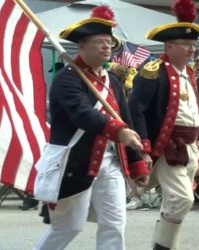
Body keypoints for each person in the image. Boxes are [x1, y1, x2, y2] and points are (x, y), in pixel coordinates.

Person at [34, 6, 149, 250]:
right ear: (82, 45)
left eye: (109, 42)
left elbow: (125, 119)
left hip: (110, 163)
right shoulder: (67, 79)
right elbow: (83, 114)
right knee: (70, 226)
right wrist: (119, 132)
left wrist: (136, 161)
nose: (107, 46)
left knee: (115, 223)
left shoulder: (113, 81)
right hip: (77, 162)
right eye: (100, 42)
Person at [128, 0, 199, 249]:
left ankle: (166, 245)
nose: (192, 50)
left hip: (190, 147)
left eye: (194, 45)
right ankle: (162, 246)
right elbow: (135, 110)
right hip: (168, 145)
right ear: (169, 46)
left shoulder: (189, 74)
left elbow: (196, 114)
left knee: (175, 203)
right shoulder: (153, 71)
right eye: (186, 45)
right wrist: (144, 148)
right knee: (182, 199)